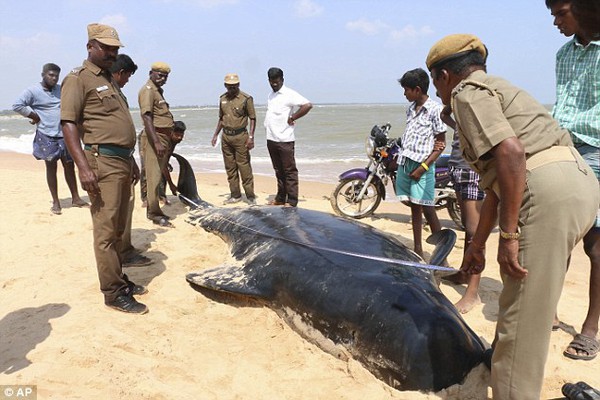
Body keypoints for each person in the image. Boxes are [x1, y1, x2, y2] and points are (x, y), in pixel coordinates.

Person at [426, 33, 598, 399]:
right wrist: (477, 245)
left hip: (547, 191)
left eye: (436, 84)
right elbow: (497, 185)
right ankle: (507, 364)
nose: (440, 95)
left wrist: (508, 236)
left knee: (522, 319)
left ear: (444, 76)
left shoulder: (465, 93)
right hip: (579, 183)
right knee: (523, 304)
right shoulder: (498, 87)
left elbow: (512, 155)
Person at [60, 23, 148, 314]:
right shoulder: (78, 79)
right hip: (102, 163)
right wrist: (83, 168)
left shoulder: (109, 80)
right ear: (90, 47)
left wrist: (132, 159)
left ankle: (119, 278)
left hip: (121, 161)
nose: (111, 53)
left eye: (115, 49)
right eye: (106, 48)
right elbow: (69, 124)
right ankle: (113, 292)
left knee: (120, 227)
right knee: (106, 231)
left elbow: (117, 125)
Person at [547, 0, 600, 361]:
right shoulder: (564, 54)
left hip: (597, 149)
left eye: (559, 13)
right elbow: (561, 107)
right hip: (563, 147)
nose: (554, 21)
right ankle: (546, 310)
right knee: (555, 237)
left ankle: (590, 330)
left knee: (595, 244)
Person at [12, 63, 88, 215]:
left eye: (56, 76)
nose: (54, 78)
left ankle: (75, 198)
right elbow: (17, 105)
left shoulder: (61, 90)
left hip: (65, 134)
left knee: (69, 165)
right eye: (51, 75)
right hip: (46, 135)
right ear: (43, 75)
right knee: (51, 167)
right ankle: (56, 202)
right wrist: (34, 116)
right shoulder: (33, 91)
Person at [396, 68, 446, 258]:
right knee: (415, 206)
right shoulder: (410, 109)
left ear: (417, 89)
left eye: (406, 90)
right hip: (407, 162)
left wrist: (422, 168)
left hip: (423, 166)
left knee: (428, 207)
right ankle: (418, 249)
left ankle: (442, 255)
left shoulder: (435, 110)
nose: (404, 93)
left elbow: (440, 144)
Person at [109, 54, 153, 268]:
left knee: (128, 205)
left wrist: (132, 161)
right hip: (111, 160)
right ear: (119, 73)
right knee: (116, 210)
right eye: (127, 76)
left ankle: (125, 249)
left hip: (124, 157)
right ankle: (120, 253)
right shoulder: (107, 91)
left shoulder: (118, 93)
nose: (127, 80)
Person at [439, 105, 484, 314]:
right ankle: (464, 273)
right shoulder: (459, 103)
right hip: (457, 166)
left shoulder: (476, 102)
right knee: (468, 228)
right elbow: (443, 114)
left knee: (476, 232)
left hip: (473, 170)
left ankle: (473, 292)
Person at [264, 67, 312, 207]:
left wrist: (293, 117)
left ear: (282, 80)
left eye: (277, 81)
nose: (274, 84)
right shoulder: (270, 95)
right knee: (278, 170)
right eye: (272, 82)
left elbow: (307, 105)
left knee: (289, 171)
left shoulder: (289, 94)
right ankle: (280, 198)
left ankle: (291, 201)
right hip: (271, 138)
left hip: (285, 139)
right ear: (269, 81)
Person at [211, 73, 257, 205]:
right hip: (226, 137)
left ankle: (250, 196)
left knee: (244, 167)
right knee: (230, 168)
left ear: (238, 85)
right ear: (225, 85)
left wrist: (251, 137)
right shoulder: (222, 99)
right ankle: (235, 195)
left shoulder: (246, 98)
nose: (232, 88)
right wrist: (215, 135)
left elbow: (252, 118)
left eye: (235, 86)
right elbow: (221, 118)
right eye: (230, 86)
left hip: (241, 137)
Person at [138, 62, 175, 227]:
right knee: (153, 178)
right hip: (155, 138)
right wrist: (157, 142)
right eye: (159, 75)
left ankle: (155, 210)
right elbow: (147, 118)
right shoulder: (148, 91)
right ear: (150, 73)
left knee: (157, 175)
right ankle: (153, 213)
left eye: (166, 76)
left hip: (162, 138)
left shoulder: (158, 92)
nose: (163, 79)